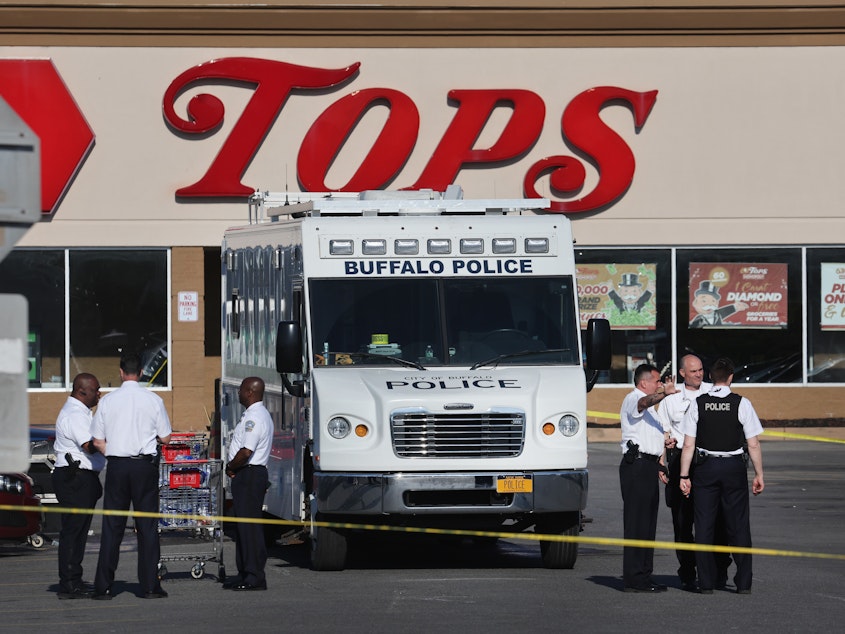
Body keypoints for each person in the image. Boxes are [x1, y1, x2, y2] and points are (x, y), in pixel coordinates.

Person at [679, 357, 765, 595]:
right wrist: (759, 474)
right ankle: (744, 583)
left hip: (706, 469)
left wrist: (684, 475)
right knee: (738, 526)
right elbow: (754, 444)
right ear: (731, 377)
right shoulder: (742, 403)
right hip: (734, 468)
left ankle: (706, 582)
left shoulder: (698, 403)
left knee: (704, 526)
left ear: (710, 377)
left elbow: (688, 445)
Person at [90, 352, 172, 600]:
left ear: (121, 372)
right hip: (143, 466)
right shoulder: (154, 399)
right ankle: (149, 586)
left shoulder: (108, 401)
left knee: (112, 527)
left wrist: (115, 452)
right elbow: (166, 437)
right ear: (143, 372)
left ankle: (103, 587)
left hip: (117, 465)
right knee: (147, 526)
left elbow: (97, 440)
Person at [657, 354, 731, 591]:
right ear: (682, 374)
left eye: (701, 370)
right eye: (693, 371)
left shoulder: (714, 392)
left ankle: (719, 570)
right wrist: (663, 456)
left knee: (717, 520)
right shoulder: (671, 398)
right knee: (683, 521)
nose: (699, 374)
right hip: (681, 461)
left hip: (709, 461)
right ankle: (688, 572)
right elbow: (662, 429)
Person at [619, 363, 677, 592]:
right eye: (656, 381)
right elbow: (644, 403)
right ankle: (634, 579)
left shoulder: (652, 411)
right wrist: (664, 393)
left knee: (648, 524)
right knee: (637, 524)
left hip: (649, 466)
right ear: (644, 383)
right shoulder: (634, 398)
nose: (660, 385)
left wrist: (663, 449)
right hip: (637, 467)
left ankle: (644, 575)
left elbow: (650, 438)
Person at [51, 373, 105, 599]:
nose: (99, 394)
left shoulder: (80, 412)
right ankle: (69, 584)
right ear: (82, 391)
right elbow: (89, 446)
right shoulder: (75, 414)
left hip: (79, 479)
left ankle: (74, 578)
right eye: (96, 390)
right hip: (75, 479)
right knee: (73, 532)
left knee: (79, 532)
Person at [223, 377, 273, 591]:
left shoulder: (255, 418)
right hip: (248, 474)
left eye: (241, 389)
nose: (238, 393)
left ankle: (255, 576)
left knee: (250, 527)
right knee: (242, 527)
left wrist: (231, 467)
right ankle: (244, 573)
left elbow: (246, 452)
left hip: (250, 475)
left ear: (250, 392)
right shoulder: (254, 415)